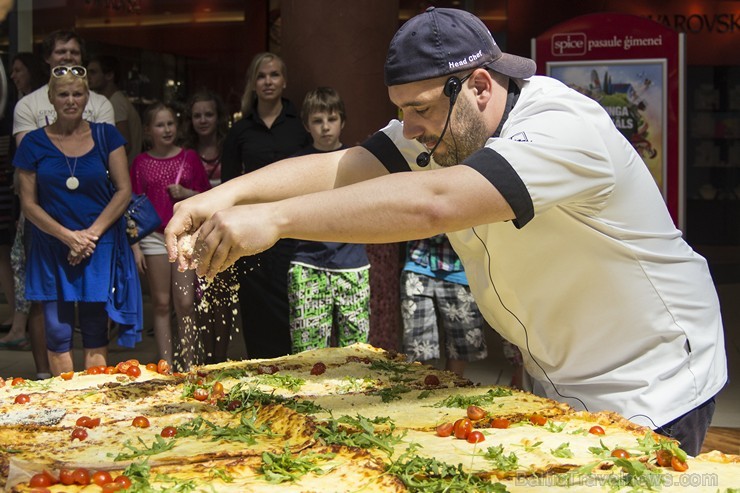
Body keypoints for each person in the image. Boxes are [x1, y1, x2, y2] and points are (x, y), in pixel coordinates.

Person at [165, 7, 726, 456]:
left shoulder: (563, 126)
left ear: (480, 85)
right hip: (560, 375)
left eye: (420, 109)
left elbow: (438, 203)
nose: (408, 128)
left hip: (654, 380)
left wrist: (274, 220)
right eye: (400, 111)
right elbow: (345, 164)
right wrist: (222, 196)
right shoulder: (444, 124)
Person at [13, 65, 143, 375]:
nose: (71, 100)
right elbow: (29, 205)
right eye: (63, 94)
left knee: (96, 327)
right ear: (51, 99)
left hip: (98, 246)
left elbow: (124, 191)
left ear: (87, 98)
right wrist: (68, 237)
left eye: (77, 94)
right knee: (57, 333)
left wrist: (89, 236)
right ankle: (67, 411)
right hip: (51, 245)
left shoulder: (106, 135)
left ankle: (93, 408)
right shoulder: (33, 143)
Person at [220, 52, 309, 358]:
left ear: (284, 81)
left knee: (292, 306)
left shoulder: (301, 127)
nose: (268, 81)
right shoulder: (240, 131)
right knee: (256, 311)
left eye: (274, 75)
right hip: (252, 231)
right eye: (261, 76)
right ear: (253, 84)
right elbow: (229, 186)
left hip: (295, 231)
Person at [288, 87, 370, 353]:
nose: (325, 127)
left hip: (352, 265)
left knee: (357, 355)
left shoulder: (359, 159)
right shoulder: (295, 164)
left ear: (342, 121)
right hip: (307, 264)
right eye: (317, 120)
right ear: (306, 125)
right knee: (307, 355)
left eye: (331, 119)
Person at [130, 102, 210, 371]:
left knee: (186, 302)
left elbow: (207, 195)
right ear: (148, 130)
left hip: (184, 234)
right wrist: (135, 246)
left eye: (170, 124)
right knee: (161, 303)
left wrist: (186, 194)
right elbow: (132, 204)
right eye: (160, 124)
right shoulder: (141, 162)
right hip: (153, 236)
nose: (166, 129)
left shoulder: (189, 158)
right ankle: (167, 365)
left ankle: (190, 364)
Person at [181, 90, 236, 364]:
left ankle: (220, 356)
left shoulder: (231, 145)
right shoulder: (185, 153)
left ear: (219, 117)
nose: (203, 120)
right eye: (197, 115)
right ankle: (204, 356)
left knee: (222, 294)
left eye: (209, 114)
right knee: (198, 294)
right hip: (195, 230)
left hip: (226, 226)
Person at [0, 53, 49, 351]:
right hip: (20, 192)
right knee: (17, 259)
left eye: (18, 70)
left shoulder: (29, 107)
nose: (14, 75)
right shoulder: (19, 104)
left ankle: (20, 326)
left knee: (21, 260)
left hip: (29, 196)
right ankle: (18, 324)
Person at [400, 234, 486, 377]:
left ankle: (451, 390)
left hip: (461, 267)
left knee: (462, 344)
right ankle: (422, 393)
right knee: (417, 347)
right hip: (418, 263)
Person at [86, 55, 142, 166]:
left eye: (93, 72)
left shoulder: (115, 102)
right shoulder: (111, 101)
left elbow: (124, 145)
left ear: (109, 75)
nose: (88, 77)